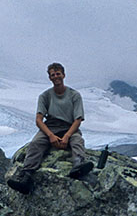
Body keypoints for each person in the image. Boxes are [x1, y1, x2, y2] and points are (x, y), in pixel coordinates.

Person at [7, 62, 93, 193]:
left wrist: (67, 136)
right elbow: (39, 119)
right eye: (53, 75)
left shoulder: (74, 95)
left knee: (77, 141)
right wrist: (50, 135)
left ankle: (78, 166)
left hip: (69, 127)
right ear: (50, 78)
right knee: (36, 144)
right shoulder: (45, 96)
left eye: (58, 74)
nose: (56, 77)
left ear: (63, 75)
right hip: (51, 126)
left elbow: (78, 119)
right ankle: (26, 177)